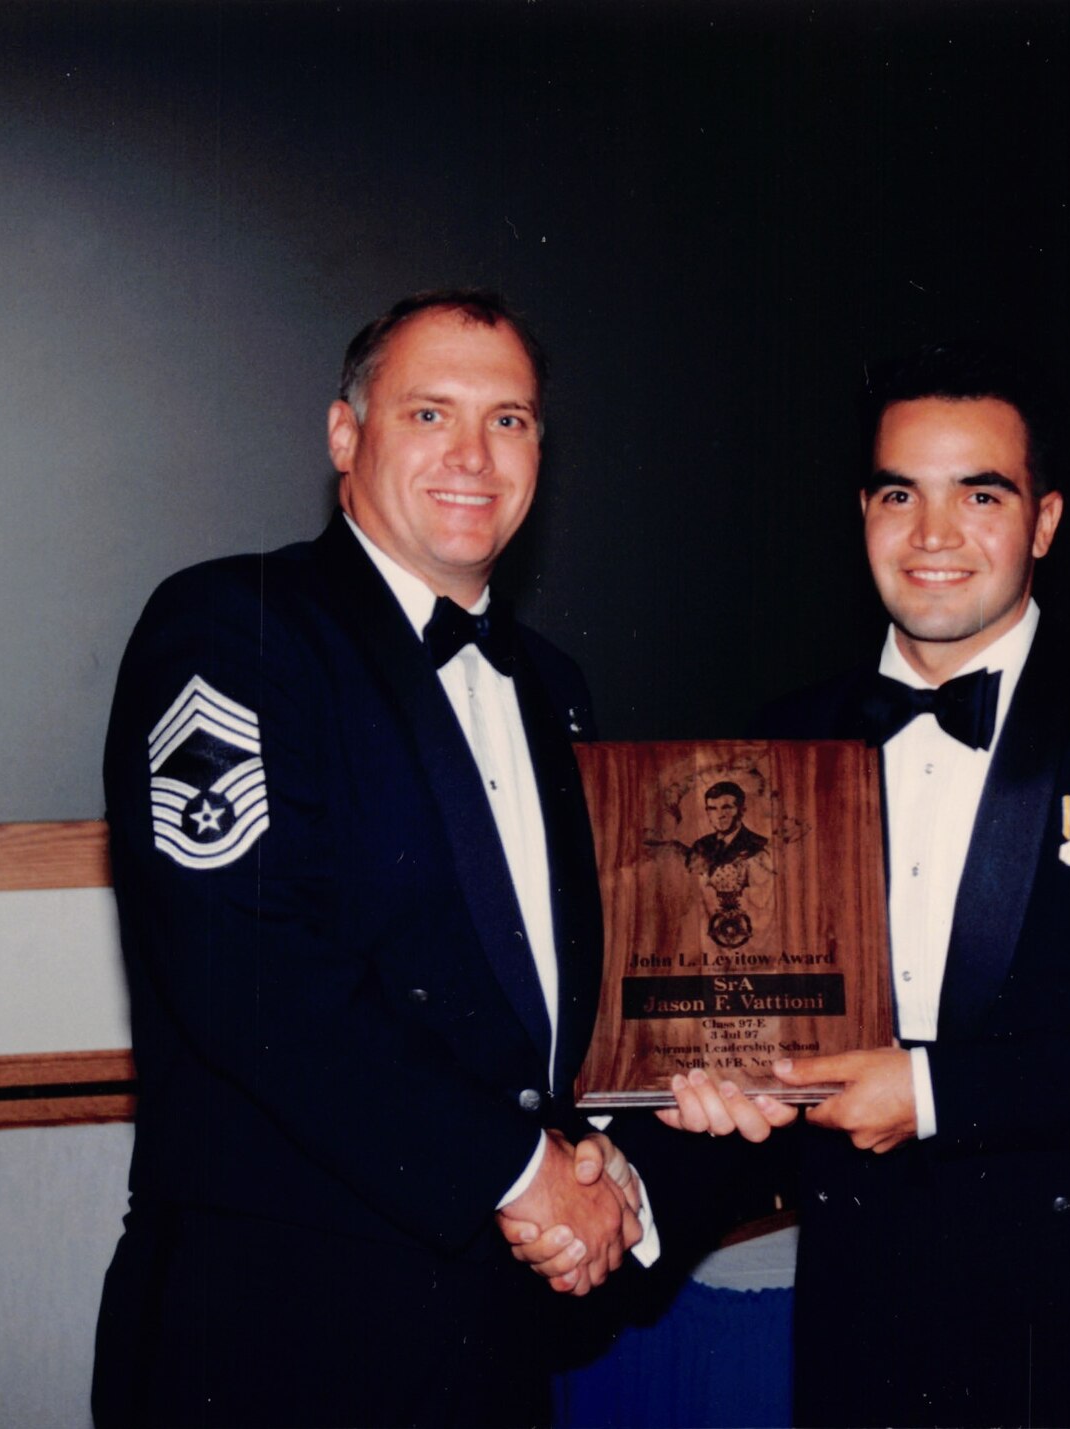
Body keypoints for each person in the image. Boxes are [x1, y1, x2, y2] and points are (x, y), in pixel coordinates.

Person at [661, 344, 1070, 1426]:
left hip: (1069, 1349)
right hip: (851, 1341)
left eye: (980, 492)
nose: (934, 534)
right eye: (900, 493)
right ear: (862, 511)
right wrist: (633, 1187)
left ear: (1043, 521)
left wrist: (937, 1092)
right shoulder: (779, 739)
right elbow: (728, 1037)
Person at [92, 291, 655, 1428]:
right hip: (274, 1337)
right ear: (345, 436)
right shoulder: (232, 627)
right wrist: (519, 1171)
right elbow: (248, 977)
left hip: (494, 1330)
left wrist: (612, 1175)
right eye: (429, 413)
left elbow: (561, 1009)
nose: (473, 456)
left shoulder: (557, 691)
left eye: (509, 420)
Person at [686, 780, 770, 875]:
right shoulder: (700, 845)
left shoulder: (759, 845)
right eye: (713, 809)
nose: (720, 815)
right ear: (707, 812)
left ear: (742, 810)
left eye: (727, 808)